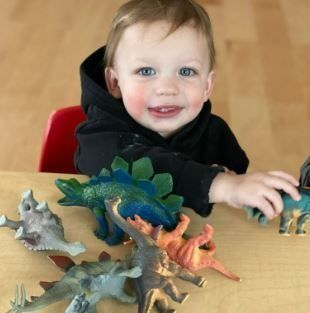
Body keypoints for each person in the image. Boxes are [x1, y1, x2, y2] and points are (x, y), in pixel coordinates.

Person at [75, 0, 300, 220]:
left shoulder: (215, 133)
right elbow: (131, 169)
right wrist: (217, 184)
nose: (167, 88)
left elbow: (229, 207)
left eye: (185, 71)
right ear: (115, 83)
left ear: (207, 86)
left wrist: (241, 188)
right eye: (145, 71)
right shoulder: (98, 137)